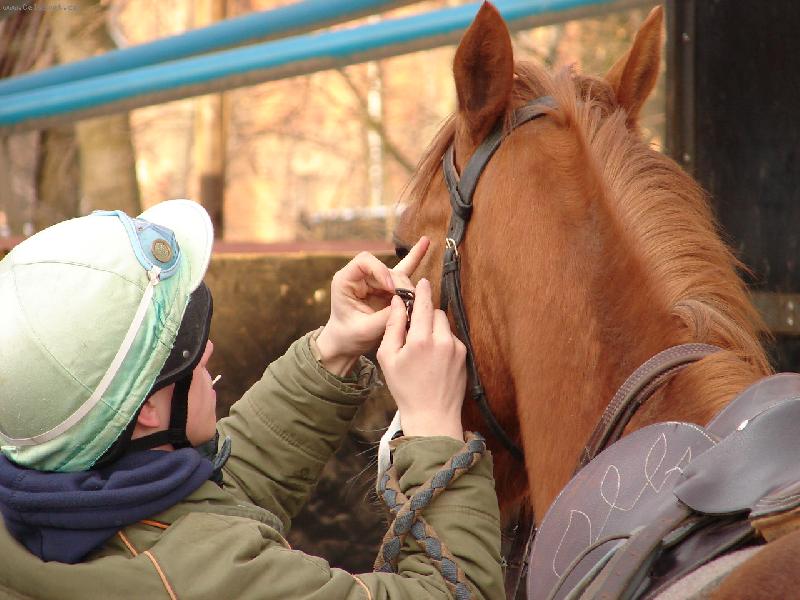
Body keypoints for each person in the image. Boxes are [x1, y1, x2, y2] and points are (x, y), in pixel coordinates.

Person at [0, 200, 504, 599]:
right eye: (188, 347)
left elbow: (213, 502)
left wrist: (333, 349)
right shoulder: (192, 578)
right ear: (146, 410)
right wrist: (433, 424)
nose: (207, 350)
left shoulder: (65, 510)